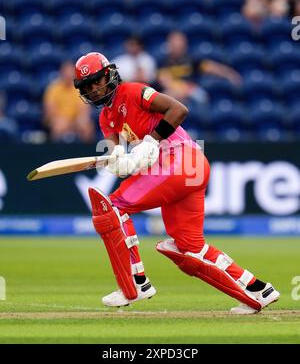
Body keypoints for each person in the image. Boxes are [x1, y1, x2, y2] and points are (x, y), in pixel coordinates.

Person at [73, 51, 280, 314]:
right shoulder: (105, 118)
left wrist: (151, 141)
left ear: (109, 74)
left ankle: (136, 283)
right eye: (86, 87)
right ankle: (258, 289)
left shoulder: (134, 91)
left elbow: (179, 109)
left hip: (181, 160)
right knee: (188, 249)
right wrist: (118, 162)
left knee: (112, 206)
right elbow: (117, 153)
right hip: (185, 169)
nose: (93, 90)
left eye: (96, 81)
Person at [43, 60, 95, 143]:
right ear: (61, 73)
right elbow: (50, 111)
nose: (68, 75)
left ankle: (87, 152)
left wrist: (79, 120)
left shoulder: (79, 89)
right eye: (66, 72)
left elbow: (84, 110)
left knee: (86, 126)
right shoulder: (53, 88)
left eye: (70, 72)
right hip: (60, 120)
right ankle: (56, 152)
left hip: (75, 120)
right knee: (58, 126)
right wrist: (63, 120)